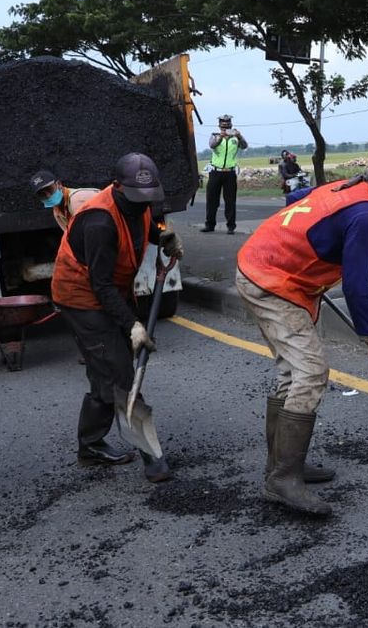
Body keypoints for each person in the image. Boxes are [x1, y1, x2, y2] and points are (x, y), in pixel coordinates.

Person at [235, 145, 368, 517]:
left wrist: (298, 248)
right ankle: (282, 478)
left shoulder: (346, 188)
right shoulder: (365, 215)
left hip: (265, 268)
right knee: (310, 372)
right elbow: (356, 286)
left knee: (291, 373)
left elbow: (295, 199)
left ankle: (282, 465)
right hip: (270, 281)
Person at [51, 153, 184, 483]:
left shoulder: (138, 203)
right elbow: (101, 284)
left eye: (147, 199)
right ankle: (151, 456)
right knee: (122, 375)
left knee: (105, 373)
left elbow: (143, 225)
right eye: (137, 199)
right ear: (117, 187)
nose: (143, 205)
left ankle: (91, 445)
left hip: (110, 291)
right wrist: (133, 325)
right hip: (81, 298)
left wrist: (161, 236)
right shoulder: (99, 222)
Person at [201, 114, 247, 234]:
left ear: (231, 125)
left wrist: (239, 136)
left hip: (230, 173)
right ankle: (210, 225)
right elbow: (212, 145)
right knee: (212, 200)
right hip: (215, 172)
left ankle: (231, 227)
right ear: (219, 126)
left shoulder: (235, 138)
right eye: (223, 125)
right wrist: (220, 137)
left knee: (230, 201)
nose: (225, 127)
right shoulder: (214, 136)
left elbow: (244, 146)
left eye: (227, 125)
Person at [29, 170, 100, 232]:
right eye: (42, 194)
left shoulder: (76, 200)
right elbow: (71, 238)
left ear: (59, 184)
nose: (48, 196)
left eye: (49, 189)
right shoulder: (57, 212)